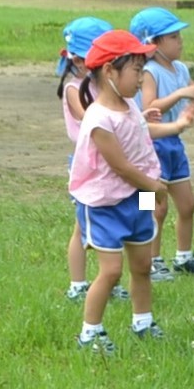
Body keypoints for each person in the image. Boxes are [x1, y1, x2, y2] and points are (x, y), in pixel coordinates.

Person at [69, 30, 194, 354]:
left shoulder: (128, 107)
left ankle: (143, 321)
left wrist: (175, 126)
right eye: (136, 71)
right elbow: (121, 166)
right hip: (105, 204)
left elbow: (141, 133)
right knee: (111, 272)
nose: (141, 78)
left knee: (141, 265)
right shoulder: (98, 118)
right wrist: (154, 186)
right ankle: (90, 333)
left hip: (137, 196)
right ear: (110, 71)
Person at [130, 7, 194, 281]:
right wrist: (182, 92)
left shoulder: (180, 68)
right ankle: (150, 259)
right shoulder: (149, 72)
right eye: (173, 37)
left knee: (188, 204)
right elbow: (150, 106)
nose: (180, 41)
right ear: (153, 44)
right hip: (149, 147)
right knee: (151, 206)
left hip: (173, 146)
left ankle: (183, 257)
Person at [57, 16, 125, 303]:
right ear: (78, 60)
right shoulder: (75, 88)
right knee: (84, 225)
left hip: (120, 165)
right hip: (89, 166)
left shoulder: (114, 89)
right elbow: (91, 119)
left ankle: (121, 276)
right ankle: (79, 283)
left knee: (127, 217)